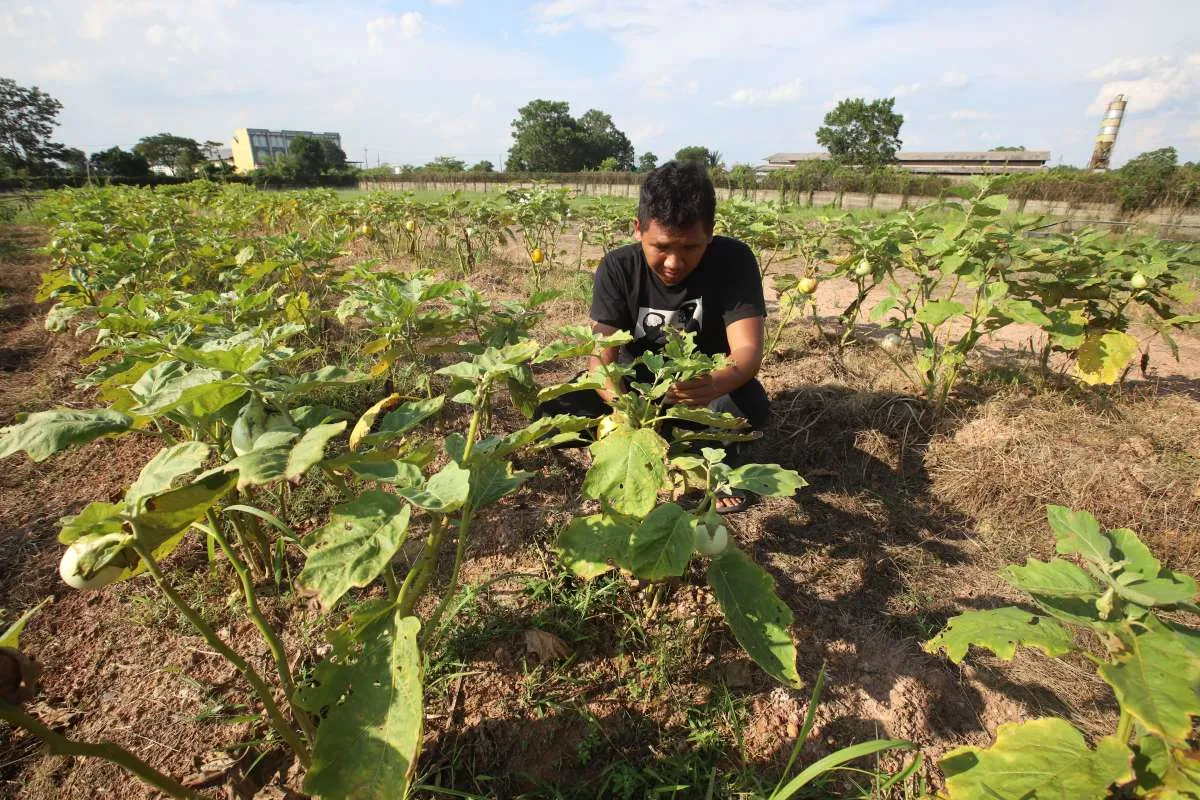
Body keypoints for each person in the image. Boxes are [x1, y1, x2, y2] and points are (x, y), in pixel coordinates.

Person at [539, 160, 770, 513]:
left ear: (710, 233)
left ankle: (712, 464)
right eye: (661, 247)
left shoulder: (733, 260)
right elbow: (601, 362)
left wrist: (717, 381)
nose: (674, 262)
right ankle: (658, 436)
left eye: (690, 248)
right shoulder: (618, 267)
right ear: (637, 229)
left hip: (700, 388)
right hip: (635, 387)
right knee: (552, 414)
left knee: (742, 406)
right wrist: (623, 409)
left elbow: (747, 350)